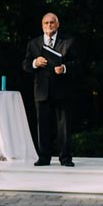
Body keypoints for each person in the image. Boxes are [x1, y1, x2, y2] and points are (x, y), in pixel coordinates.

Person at [22, 12, 79, 167]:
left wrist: (65, 68)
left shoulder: (68, 42)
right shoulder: (34, 43)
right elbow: (26, 65)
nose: (49, 25)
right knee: (43, 126)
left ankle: (65, 158)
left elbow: (78, 64)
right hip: (42, 91)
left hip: (62, 90)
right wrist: (35, 62)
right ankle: (44, 158)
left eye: (52, 23)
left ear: (57, 24)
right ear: (42, 25)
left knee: (64, 126)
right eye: (46, 23)